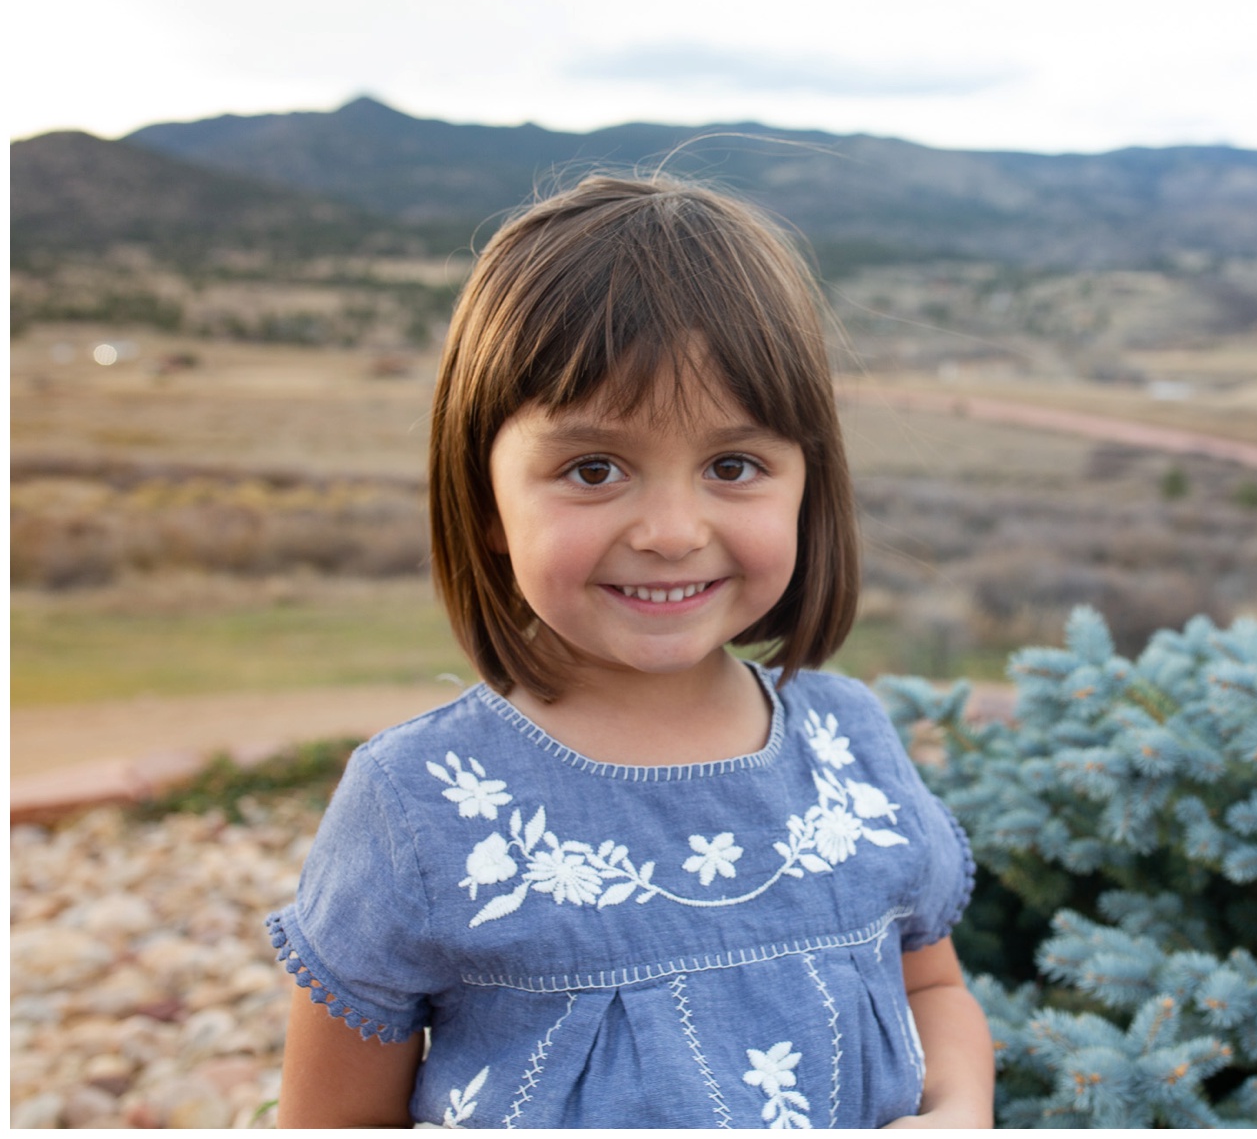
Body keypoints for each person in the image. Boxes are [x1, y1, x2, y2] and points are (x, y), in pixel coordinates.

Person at [268, 176, 995, 1131]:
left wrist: (957, 1110)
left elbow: (933, 991)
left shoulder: (848, 741)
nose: (669, 530)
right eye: (593, 469)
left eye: (733, 466)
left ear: (808, 486)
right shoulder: (420, 802)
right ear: (487, 502)